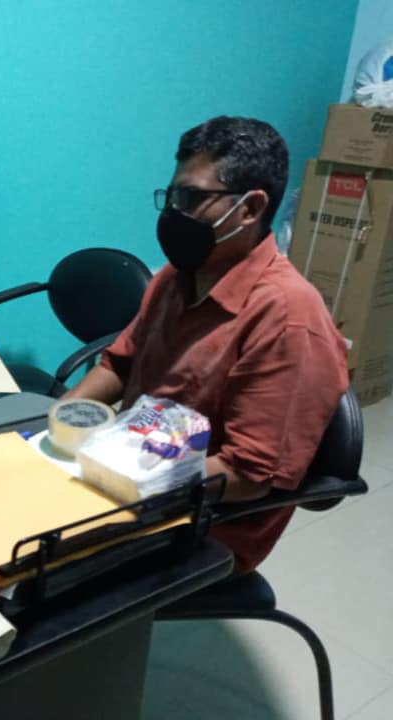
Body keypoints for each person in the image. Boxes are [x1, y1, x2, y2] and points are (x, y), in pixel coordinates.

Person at [64, 116, 349, 574]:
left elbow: (248, 475)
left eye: (190, 199)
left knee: (17, 572)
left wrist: (127, 482)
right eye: (171, 197)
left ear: (250, 208)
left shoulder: (287, 318)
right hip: (126, 471)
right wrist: (56, 426)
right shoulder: (176, 278)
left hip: (200, 523)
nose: (173, 213)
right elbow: (119, 363)